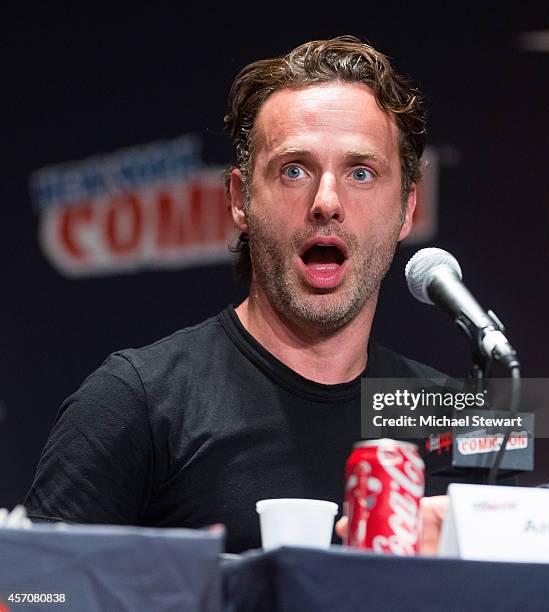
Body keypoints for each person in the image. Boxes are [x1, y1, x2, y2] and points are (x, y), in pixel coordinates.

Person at [24, 35, 442, 553]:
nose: (326, 202)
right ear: (240, 199)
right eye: (294, 170)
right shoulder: (135, 403)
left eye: (361, 172)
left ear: (406, 209)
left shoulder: (458, 415)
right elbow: (30, 595)